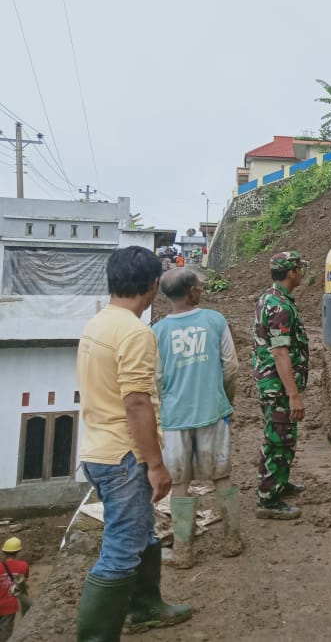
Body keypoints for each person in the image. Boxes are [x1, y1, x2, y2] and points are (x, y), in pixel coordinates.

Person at [76, 246, 192, 639]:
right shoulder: (134, 332)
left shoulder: (98, 324)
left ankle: (146, 607)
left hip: (97, 448)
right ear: (153, 285)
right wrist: (156, 465)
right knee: (121, 550)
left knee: (140, 533)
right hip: (122, 456)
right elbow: (137, 403)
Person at [152, 268, 242, 568]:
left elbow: (157, 378)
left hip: (176, 418)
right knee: (221, 476)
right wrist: (225, 399)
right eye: (198, 286)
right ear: (192, 291)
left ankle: (183, 551)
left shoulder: (158, 332)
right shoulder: (215, 321)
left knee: (180, 483)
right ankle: (232, 540)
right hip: (213, 412)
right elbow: (230, 366)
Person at [252, 251, 310, 520]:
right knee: (278, 439)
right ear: (291, 273)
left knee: (284, 437)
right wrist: (293, 394)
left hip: (273, 383)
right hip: (278, 386)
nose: (302, 271)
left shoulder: (271, 298)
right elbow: (280, 353)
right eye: (299, 267)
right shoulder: (280, 307)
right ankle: (268, 499)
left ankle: (279, 481)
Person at [0, 538, 29, 642]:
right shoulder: (24, 566)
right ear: (18, 551)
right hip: (9, 606)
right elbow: (23, 583)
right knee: (5, 635)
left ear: (4, 552)